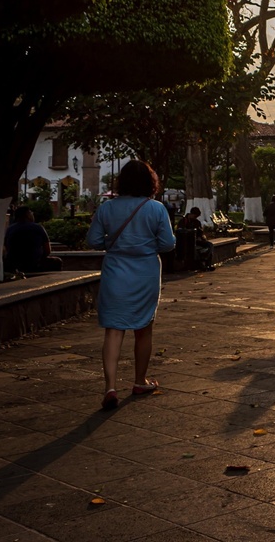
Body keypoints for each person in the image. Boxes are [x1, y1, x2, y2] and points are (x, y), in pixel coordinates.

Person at [87, 160, 176, 411]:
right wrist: (144, 245)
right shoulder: (156, 209)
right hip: (145, 272)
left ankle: (110, 387)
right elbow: (168, 244)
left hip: (115, 271)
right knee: (144, 328)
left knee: (114, 329)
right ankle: (140, 381)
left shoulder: (107, 208)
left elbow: (93, 241)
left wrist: (115, 245)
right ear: (150, 182)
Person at [3, 207, 63, 273]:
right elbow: (47, 250)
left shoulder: (10, 229)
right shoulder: (38, 228)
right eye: (31, 212)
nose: (32, 214)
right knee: (57, 261)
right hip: (35, 264)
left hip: (14, 265)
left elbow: (6, 247)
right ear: (27, 215)